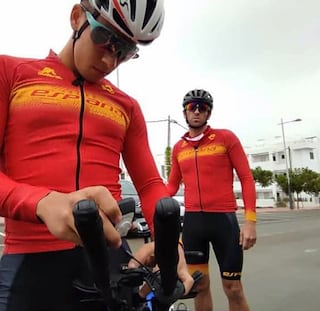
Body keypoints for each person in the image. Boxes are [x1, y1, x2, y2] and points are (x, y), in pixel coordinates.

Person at [0, 1, 193, 310]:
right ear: (77, 17)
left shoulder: (127, 106)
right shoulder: (11, 73)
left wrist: (172, 246)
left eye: (125, 51)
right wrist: (42, 202)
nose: (110, 59)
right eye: (105, 37)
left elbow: (148, 185)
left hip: (112, 258)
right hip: (30, 263)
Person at [166, 89, 257, 311]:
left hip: (223, 222)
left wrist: (250, 222)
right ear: (184, 112)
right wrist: (150, 199)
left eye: (202, 108)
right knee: (199, 285)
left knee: (233, 287)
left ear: (209, 113)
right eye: (192, 107)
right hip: (193, 224)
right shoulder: (179, 148)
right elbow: (171, 186)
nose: (197, 112)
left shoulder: (226, 138)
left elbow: (246, 178)